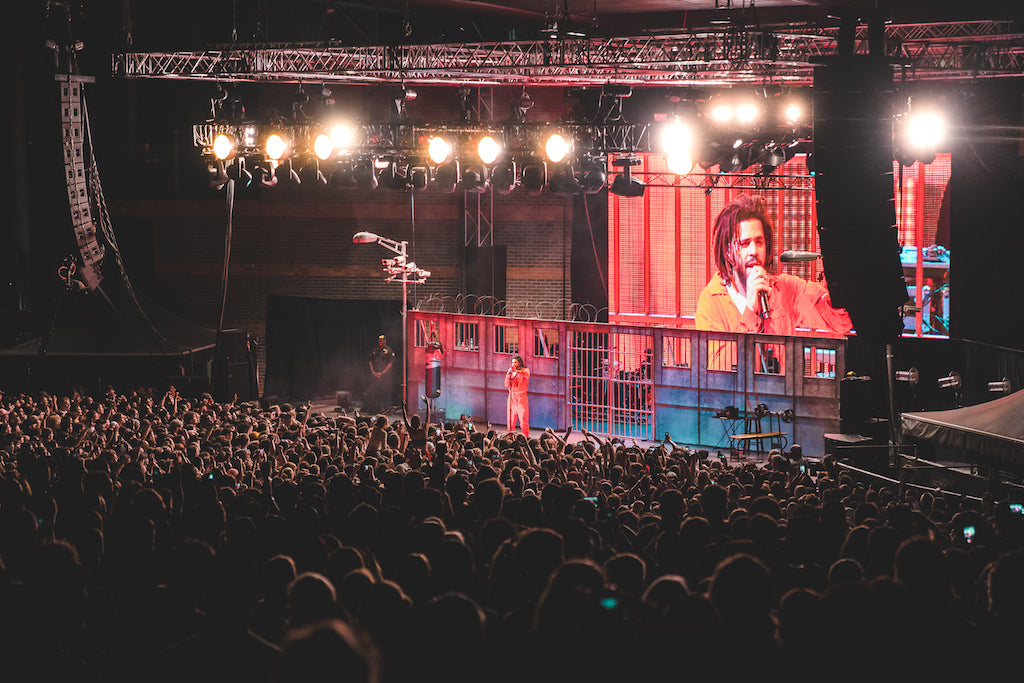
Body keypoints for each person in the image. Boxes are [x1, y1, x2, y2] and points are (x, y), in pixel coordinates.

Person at [695, 194, 852, 336]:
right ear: (728, 251)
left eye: (759, 242)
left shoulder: (787, 289)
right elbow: (719, 359)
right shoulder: (711, 302)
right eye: (744, 243)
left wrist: (835, 267)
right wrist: (751, 310)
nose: (754, 251)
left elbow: (841, 322)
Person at [368, 334, 396, 413]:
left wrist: (382, 373)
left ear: (385, 341)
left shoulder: (389, 350)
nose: (381, 342)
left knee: (386, 392)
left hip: (385, 376)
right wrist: (373, 372)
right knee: (375, 392)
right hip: (375, 375)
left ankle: (387, 410)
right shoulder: (375, 350)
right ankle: (376, 409)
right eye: (379, 341)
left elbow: (391, 363)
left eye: (382, 341)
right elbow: (370, 361)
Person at [504, 354, 530, 436]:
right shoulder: (511, 372)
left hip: (521, 398)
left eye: (515, 362)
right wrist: (508, 375)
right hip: (512, 398)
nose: (514, 364)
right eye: (512, 362)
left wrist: (515, 372)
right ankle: (510, 437)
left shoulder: (525, 371)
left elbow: (525, 374)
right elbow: (506, 384)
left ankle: (525, 437)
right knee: (510, 421)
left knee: (523, 421)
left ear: (519, 363)